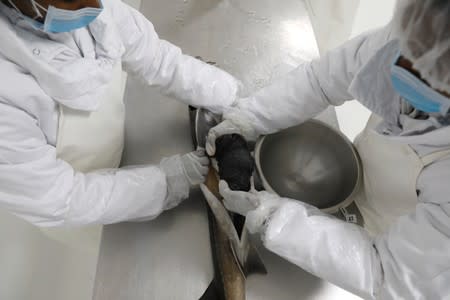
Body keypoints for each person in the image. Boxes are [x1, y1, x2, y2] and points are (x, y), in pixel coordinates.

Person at [203, 0, 450, 299]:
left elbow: (384, 274)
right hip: (363, 181)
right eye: (406, 55)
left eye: (426, 81)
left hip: (403, 247)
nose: (402, 70)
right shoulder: (426, 31)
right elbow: (321, 81)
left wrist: (274, 220)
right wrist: (250, 117)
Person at [0, 0, 241, 226]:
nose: (94, 5)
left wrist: (232, 97)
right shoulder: (7, 94)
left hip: (116, 148)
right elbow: (62, 199)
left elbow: (155, 58)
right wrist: (166, 182)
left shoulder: (87, 6)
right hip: (91, 212)